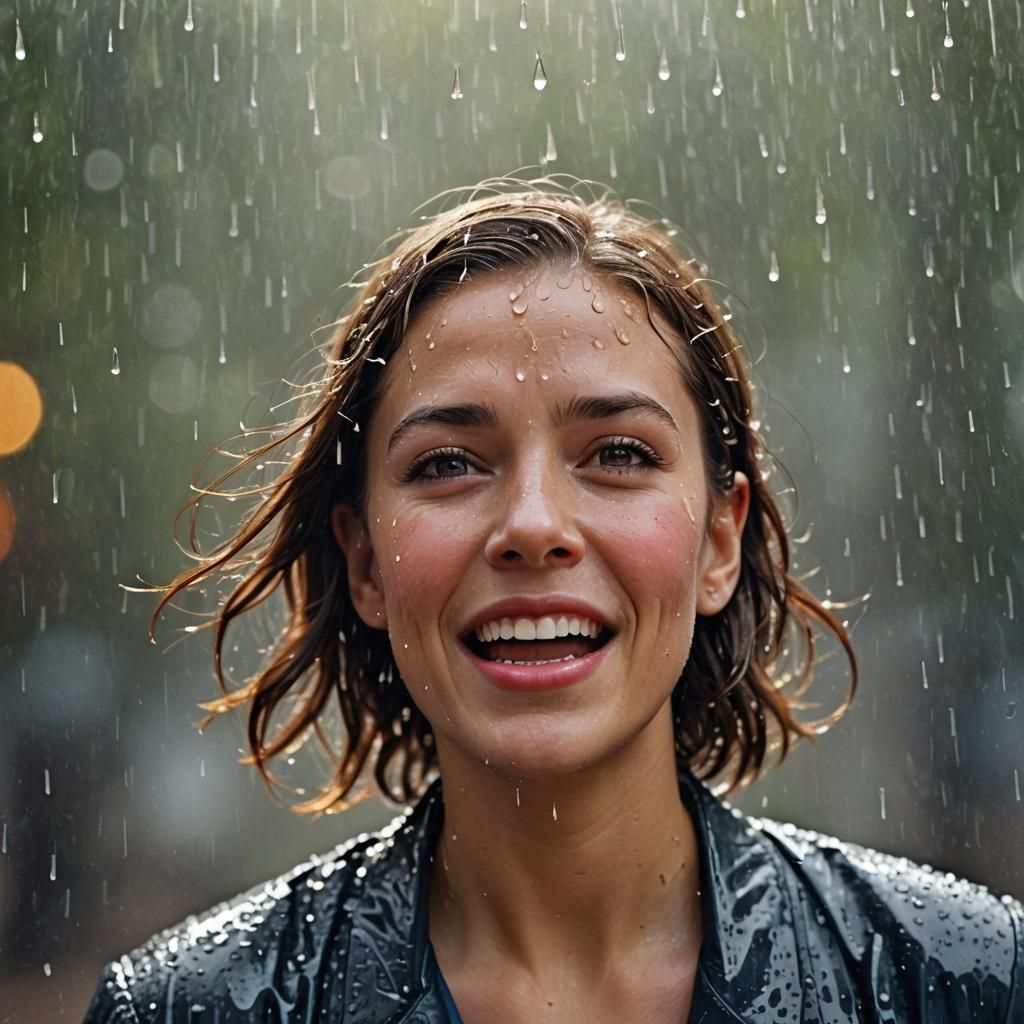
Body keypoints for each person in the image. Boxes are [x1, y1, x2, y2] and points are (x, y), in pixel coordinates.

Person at [84, 180, 1023, 1023]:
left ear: (719, 542)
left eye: (618, 453)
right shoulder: (187, 1011)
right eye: (449, 464)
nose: (533, 526)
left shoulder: (960, 982)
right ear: (365, 561)